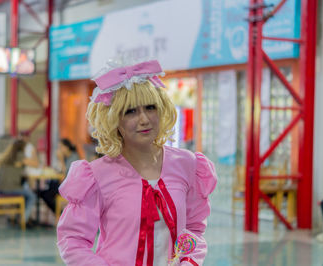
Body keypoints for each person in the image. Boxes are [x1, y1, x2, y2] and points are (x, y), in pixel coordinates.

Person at [56, 59, 217, 265]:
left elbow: (194, 229)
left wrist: (188, 261)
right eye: (131, 111)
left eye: (150, 107)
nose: (144, 119)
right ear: (115, 120)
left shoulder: (188, 164)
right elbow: (73, 240)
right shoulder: (96, 175)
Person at [0, 139, 36, 226]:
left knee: (25, 190)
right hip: (9, 189)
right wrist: (33, 152)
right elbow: (35, 164)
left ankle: (19, 217)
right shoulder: (20, 156)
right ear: (23, 148)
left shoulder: (7, 156)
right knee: (32, 196)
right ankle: (23, 220)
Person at [40, 138, 79, 214]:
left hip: (70, 186)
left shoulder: (74, 158)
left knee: (46, 194)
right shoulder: (66, 157)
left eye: (61, 147)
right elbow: (59, 171)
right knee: (45, 191)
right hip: (62, 183)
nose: (59, 149)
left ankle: (61, 213)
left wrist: (61, 160)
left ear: (67, 147)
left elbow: (66, 175)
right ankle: (60, 213)